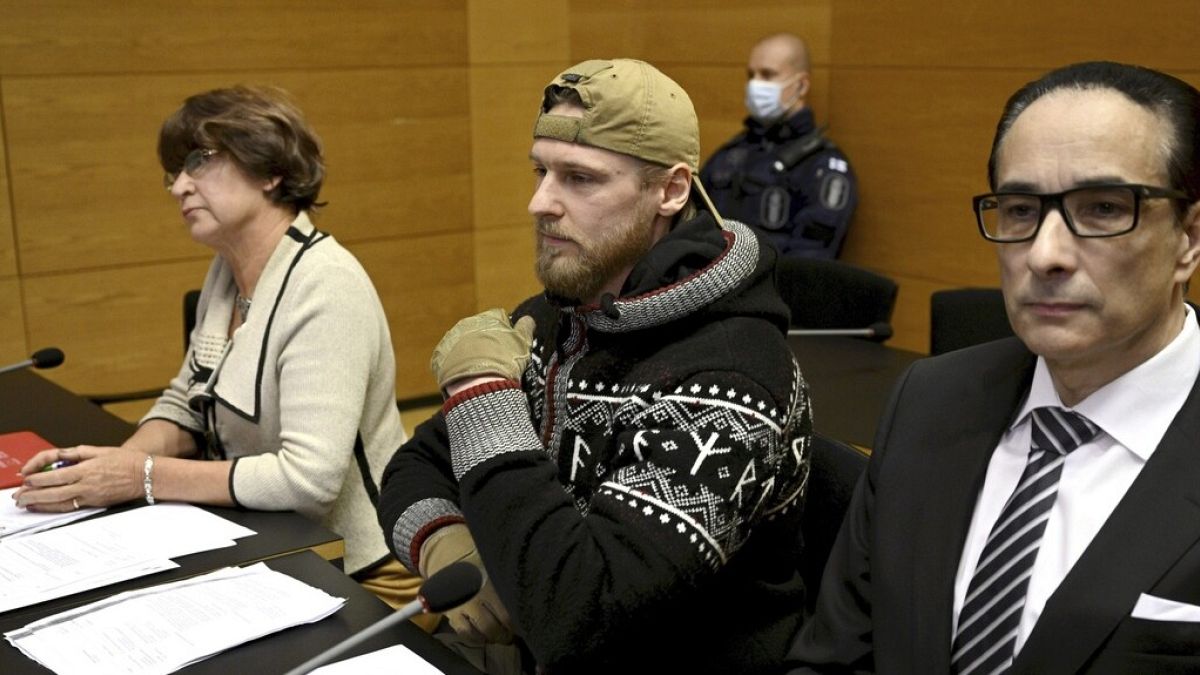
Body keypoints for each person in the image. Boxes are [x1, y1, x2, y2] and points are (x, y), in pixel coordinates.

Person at [378, 58, 812, 674]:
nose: (539, 203)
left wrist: (481, 396)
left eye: (579, 178)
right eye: (541, 171)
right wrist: (447, 543)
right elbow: (416, 465)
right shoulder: (558, 318)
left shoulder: (732, 378)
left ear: (670, 190)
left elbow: (581, 616)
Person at [786, 61, 1200, 674]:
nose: (1044, 254)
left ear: (1189, 237)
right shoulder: (929, 399)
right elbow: (834, 657)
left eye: (1105, 209)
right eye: (1020, 210)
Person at [13, 85, 427, 622]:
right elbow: (188, 400)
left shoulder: (326, 285)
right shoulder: (228, 271)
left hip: (367, 572)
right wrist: (113, 467)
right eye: (173, 172)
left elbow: (308, 480)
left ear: (270, 170)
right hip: (276, 542)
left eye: (198, 161)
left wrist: (141, 475)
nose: (178, 186)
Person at [700, 33, 857, 259]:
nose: (755, 85)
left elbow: (809, 261)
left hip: (773, 289)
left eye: (767, 75)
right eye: (751, 75)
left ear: (801, 86)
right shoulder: (732, 153)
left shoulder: (822, 166)